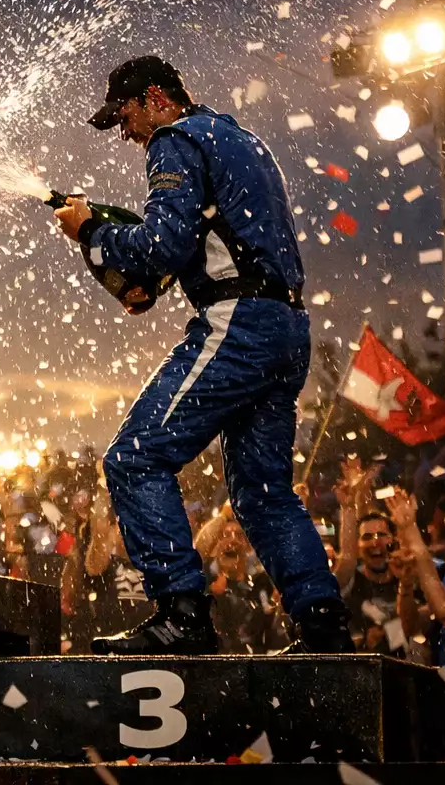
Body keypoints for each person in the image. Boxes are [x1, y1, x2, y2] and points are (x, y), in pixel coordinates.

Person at [52, 55, 352, 654]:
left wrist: (92, 232)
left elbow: (160, 245)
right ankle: (324, 630)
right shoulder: (242, 139)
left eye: (126, 115)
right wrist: (157, 278)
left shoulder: (174, 139)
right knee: (263, 491)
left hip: (239, 322)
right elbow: (221, 240)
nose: (125, 132)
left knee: (135, 458)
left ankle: (182, 615)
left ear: (157, 97)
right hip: (288, 325)